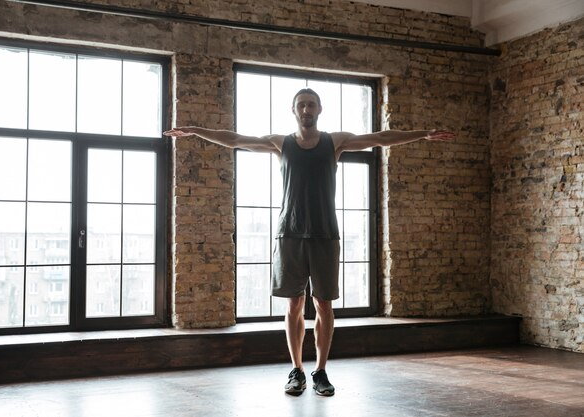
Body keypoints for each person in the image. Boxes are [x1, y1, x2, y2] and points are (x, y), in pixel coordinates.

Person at [164, 88, 454, 397]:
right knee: (294, 304)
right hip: (289, 233)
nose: (306, 109)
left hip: (325, 234)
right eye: (301, 104)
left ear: (319, 109)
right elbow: (236, 139)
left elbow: (380, 138)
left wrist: (423, 134)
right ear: (294, 110)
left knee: (324, 305)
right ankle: (297, 369)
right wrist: (195, 131)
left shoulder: (335, 141)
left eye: (311, 104)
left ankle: (321, 371)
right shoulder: (281, 143)